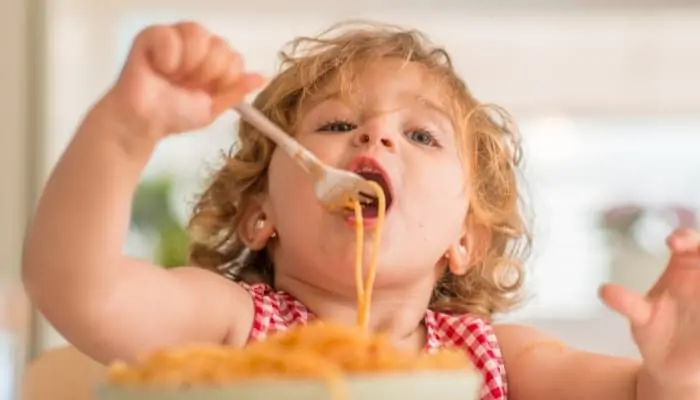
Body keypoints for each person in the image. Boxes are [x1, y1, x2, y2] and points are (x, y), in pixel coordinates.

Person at [22, 21, 700, 400]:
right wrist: (124, 131)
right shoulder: (233, 327)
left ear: (465, 239)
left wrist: (675, 376)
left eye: (422, 135)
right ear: (261, 213)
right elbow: (77, 288)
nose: (376, 137)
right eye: (337, 125)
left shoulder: (495, 359)